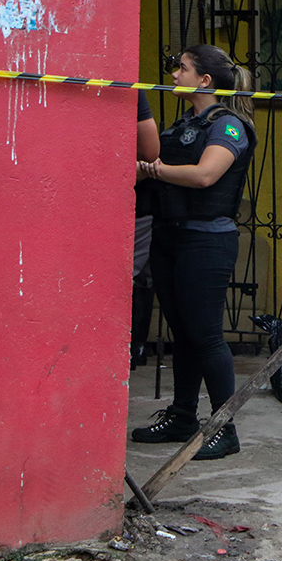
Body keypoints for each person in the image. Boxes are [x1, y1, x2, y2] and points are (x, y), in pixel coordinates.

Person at [130, 44, 256, 461]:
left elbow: (205, 175)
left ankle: (224, 428)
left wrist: (155, 170)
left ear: (204, 80)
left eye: (182, 68)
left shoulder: (229, 126)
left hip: (207, 241)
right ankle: (184, 416)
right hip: (170, 236)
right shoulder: (185, 123)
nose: (174, 74)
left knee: (205, 335)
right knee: (181, 332)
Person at [132, 90, 161, 368]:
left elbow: (151, 153)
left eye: (182, 69)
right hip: (139, 203)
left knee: (137, 277)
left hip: (139, 204)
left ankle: (135, 347)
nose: (174, 74)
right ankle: (135, 348)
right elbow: (151, 152)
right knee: (138, 277)